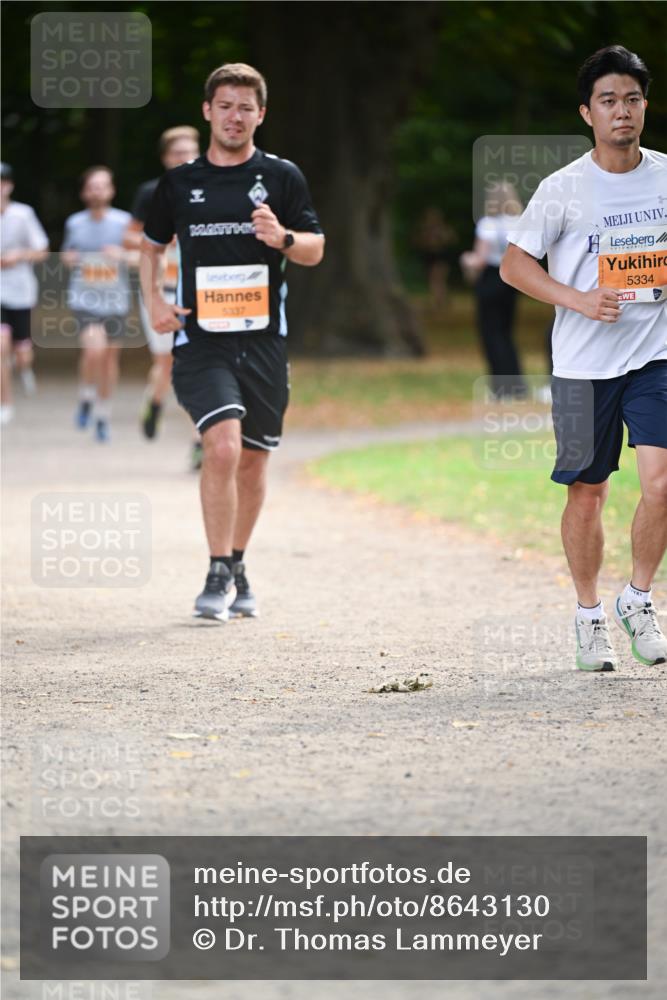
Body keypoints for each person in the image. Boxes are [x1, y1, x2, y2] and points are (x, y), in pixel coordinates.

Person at [500, 45, 667, 671]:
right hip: (580, 366)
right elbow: (514, 265)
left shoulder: (666, 177)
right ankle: (589, 614)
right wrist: (577, 299)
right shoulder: (563, 187)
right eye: (607, 101)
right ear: (587, 113)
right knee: (587, 493)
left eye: (631, 98)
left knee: (662, 482)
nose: (621, 111)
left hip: (657, 357)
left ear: (644, 106)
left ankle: (639, 599)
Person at [140, 62, 324, 621]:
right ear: (207, 111)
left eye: (246, 107)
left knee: (252, 463)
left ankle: (238, 562)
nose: (235, 116)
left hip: (265, 341)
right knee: (221, 445)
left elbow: (315, 247)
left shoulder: (283, 177)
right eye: (225, 106)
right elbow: (150, 247)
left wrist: (284, 237)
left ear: (260, 115)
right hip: (202, 341)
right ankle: (217, 571)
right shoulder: (179, 183)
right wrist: (152, 301)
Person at [125, 126, 201, 457]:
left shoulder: (210, 187)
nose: (184, 157)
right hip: (162, 289)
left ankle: (201, 441)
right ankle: (156, 400)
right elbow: (130, 238)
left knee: (198, 364)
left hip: (201, 291)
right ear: (166, 158)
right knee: (168, 364)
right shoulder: (151, 193)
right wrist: (162, 238)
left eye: (190, 151)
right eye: (178, 153)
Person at [62, 166, 132, 443]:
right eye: (92, 186)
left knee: (109, 360)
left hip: (116, 299)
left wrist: (122, 255)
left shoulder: (125, 222)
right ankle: (86, 396)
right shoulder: (74, 222)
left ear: (112, 190)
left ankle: (102, 415)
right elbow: (67, 254)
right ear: (84, 192)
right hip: (84, 297)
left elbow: (143, 255)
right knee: (94, 351)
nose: (97, 191)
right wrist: (69, 258)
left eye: (102, 186)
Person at [461, 180, 527, 399]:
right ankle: (517, 385)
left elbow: (479, 260)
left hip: (490, 279)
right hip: (511, 280)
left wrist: (466, 260)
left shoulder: (488, 224)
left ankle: (500, 387)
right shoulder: (518, 223)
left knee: (491, 333)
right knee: (507, 333)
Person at [0, 162, 49, 424]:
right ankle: (5, 401)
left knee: (21, 348)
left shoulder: (23, 214)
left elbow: (41, 250)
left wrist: (18, 255)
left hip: (19, 289)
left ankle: (23, 367)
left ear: (8, 186)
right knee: (0, 344)